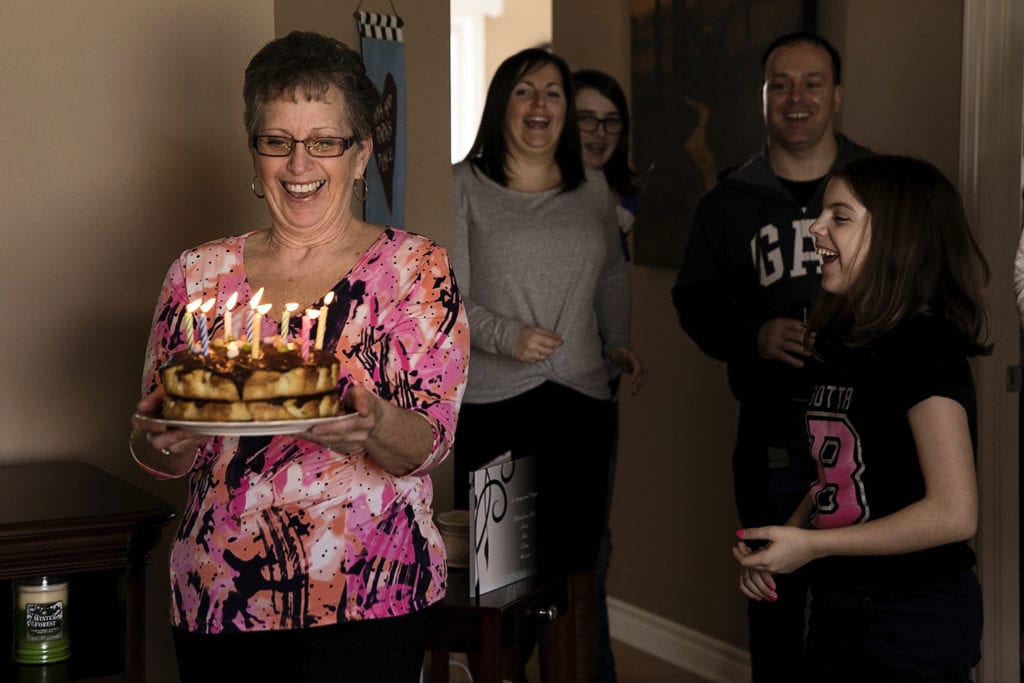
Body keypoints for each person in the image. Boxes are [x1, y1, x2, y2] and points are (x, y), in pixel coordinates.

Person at [128, 31, 470, 682]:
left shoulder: (415, 271)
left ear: (362, 151)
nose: (298, 162)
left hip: (372, 594)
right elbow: (155, 449)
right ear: (254, 153)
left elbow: (429, 442)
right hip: (218, 596)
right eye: (277, 140)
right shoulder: (197, 274)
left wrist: (368, 418)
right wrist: (161, 437)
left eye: (324, 141)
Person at [734, 154, 989, 681]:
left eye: (840, 217)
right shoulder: (839, 341)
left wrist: (812, 546)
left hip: (914, 618)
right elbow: (841, 475)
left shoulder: (925, 347)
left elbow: (954, 512)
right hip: (839, 605)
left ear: (900, 239)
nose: (817, 228)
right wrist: (787, 536)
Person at [670, 31, 872, 682]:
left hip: (868, 438)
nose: (796, 97)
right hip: (772, 440)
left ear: (836, 96)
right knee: (775, 610)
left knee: (860, 612)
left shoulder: (875, 187)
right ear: (762, 98)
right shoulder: (728, 202)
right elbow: (694, 302)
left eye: (812, 82)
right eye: (780, 84)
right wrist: (753, 334)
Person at [451, 48, 646, 681]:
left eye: (554, 93)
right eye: (525, 92)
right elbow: (446, 299)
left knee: (574, 577)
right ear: (501, 103)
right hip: (497, 405)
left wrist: (618, 341)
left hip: (584, 403)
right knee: (502, 579)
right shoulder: (464, 184)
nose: (541, 106)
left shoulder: (590, 186)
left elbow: (612, 273)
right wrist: (508, 337)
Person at [572, 67, 643, 683]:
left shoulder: (622, 201)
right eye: (585, 118)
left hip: (600, 392)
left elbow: (609, 294)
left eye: (610, 120)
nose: (598, 131)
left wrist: (617, 347)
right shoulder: (533, 199)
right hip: (531, 388)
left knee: (595, 550)